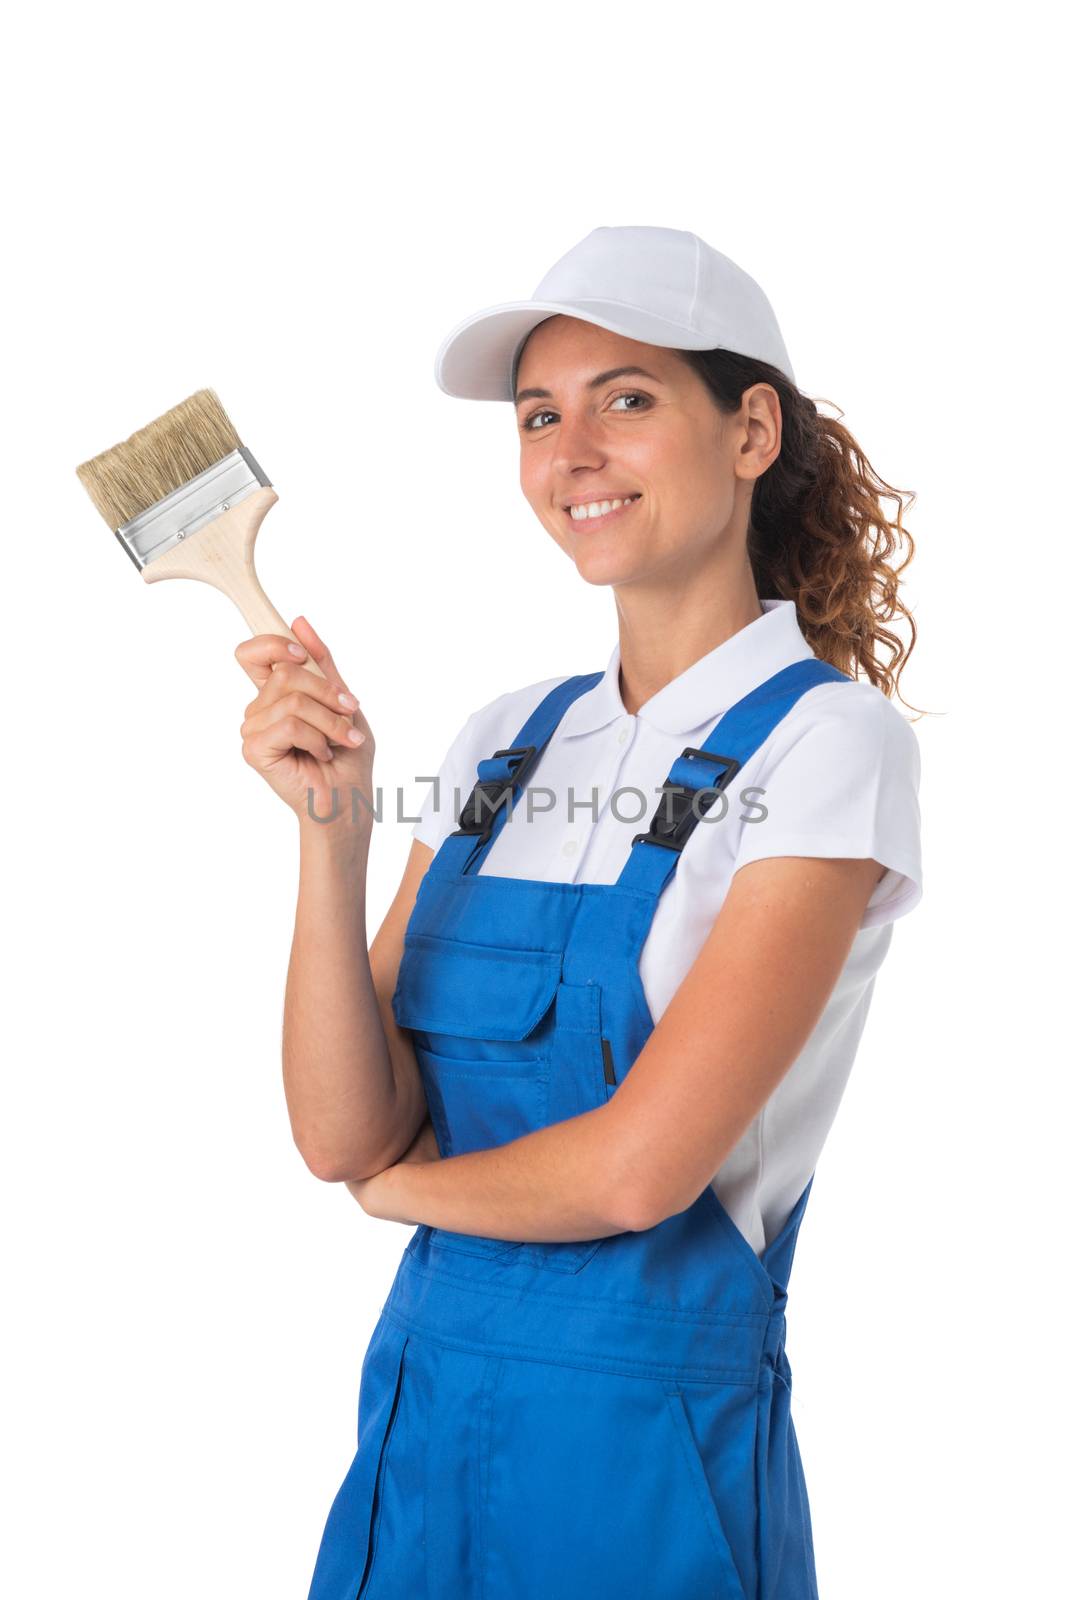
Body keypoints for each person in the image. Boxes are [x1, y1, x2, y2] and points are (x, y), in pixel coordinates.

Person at [236, 225, 923, 1599]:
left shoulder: (829, 748)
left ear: (749, 431)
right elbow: (341, 1130)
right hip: (424, 1427)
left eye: (627, 399)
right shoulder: (503, 747)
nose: (572, 454)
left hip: (648, 1470)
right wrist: (332, 837)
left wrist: (402, 1196)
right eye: (540, 417)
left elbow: (635, 1172)